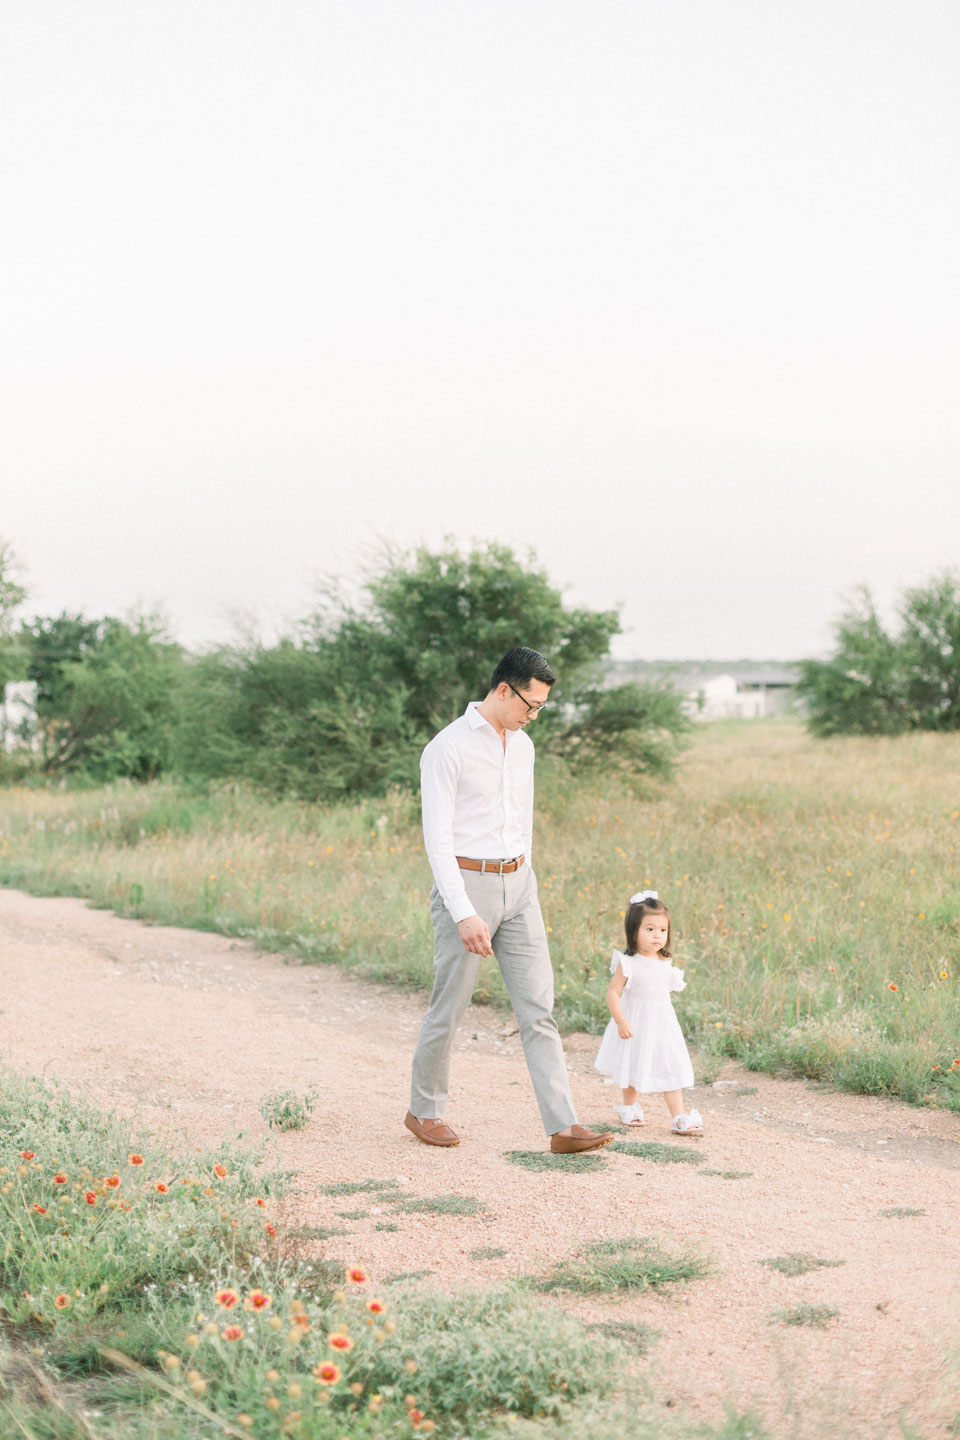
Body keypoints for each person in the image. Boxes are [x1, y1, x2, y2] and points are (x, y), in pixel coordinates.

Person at [405, 647, 612, 1155]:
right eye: (530, 704)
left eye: (541, 707)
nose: (533, 715)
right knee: (449, 1007)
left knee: (538, 1008)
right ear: (503, 690)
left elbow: (522, 818)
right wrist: (463, 911)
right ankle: (423, 1110)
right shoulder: (446, 748)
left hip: (520, 887)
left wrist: (525, 874)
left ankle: (563, 1126)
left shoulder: (523, 747)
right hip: (467, 887)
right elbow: (436, 840)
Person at [594, 890, 702, 1135]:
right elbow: (613, 993)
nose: (657, 936)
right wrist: (620, 1020)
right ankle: (629, 1108)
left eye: (662, 930)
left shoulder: (666, 963)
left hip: (662, 1026)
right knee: (633, 1063)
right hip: (635, 1023)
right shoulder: (628, 963)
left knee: (669, 1065)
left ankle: (679, 1116)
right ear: (633, 931)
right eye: (650, 929)